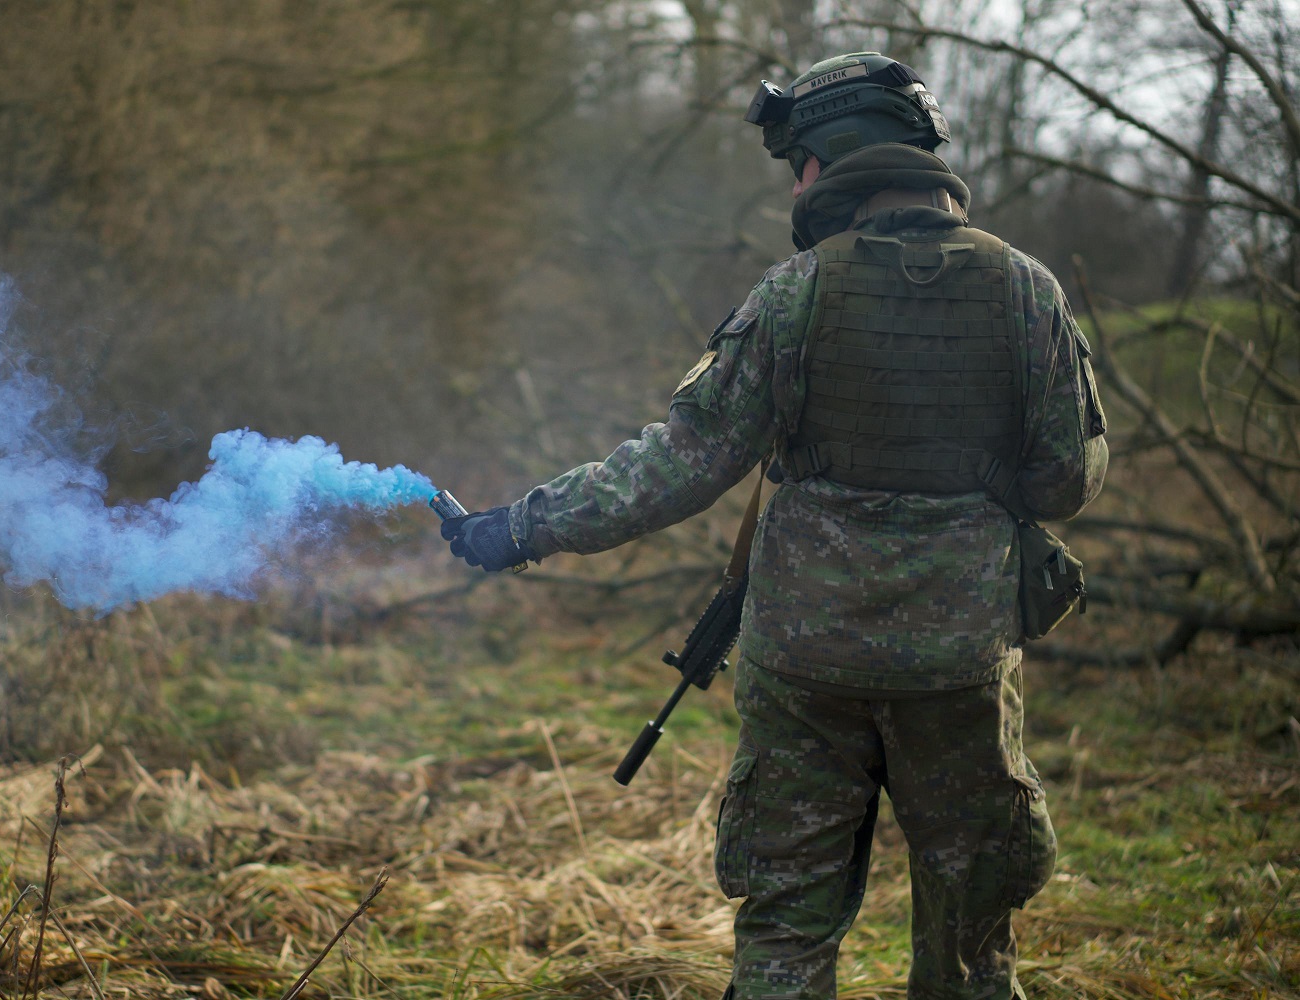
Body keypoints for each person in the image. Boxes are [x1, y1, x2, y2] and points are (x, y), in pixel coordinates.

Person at [440, 51, 1108, 1000]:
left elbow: (676, 469)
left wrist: (517, 529)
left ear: (830, 160)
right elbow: (1065, 481)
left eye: (798, 161)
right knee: (970, 947)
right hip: (958, 667)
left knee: (785, 939)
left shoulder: (795, 292)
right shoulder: (1026, 290)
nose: (796, 182)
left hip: (805, 668)